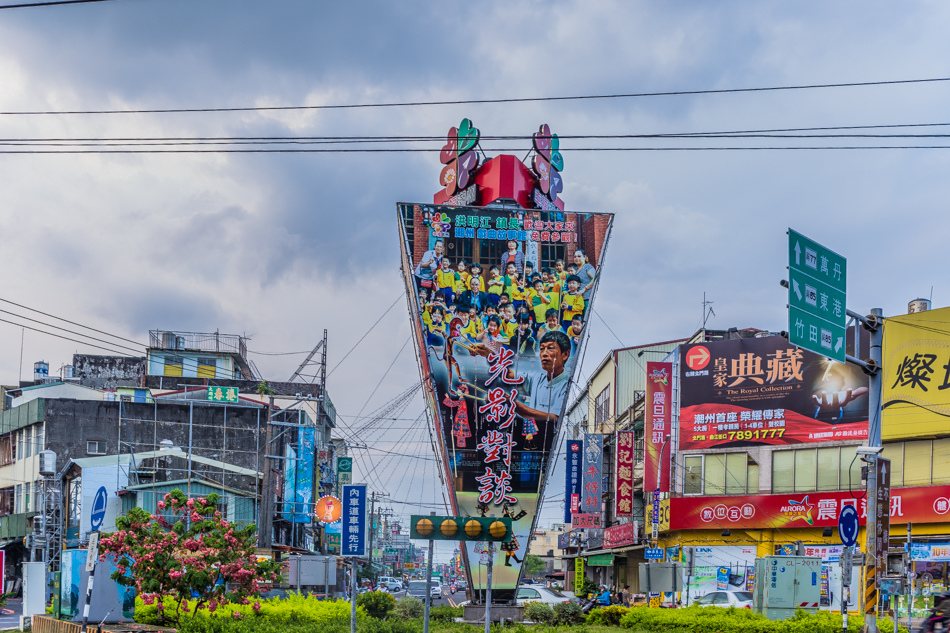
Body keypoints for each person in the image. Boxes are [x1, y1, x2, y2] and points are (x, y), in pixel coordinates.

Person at [471, 330, 572, 425]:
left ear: (565, 354)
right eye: (541, 349)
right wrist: (489, 354)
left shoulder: (568, 386)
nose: (544, 353)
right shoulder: (537, 379)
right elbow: (507, 374)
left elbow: (553, 419)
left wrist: (511, 402)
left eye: (550, 348)